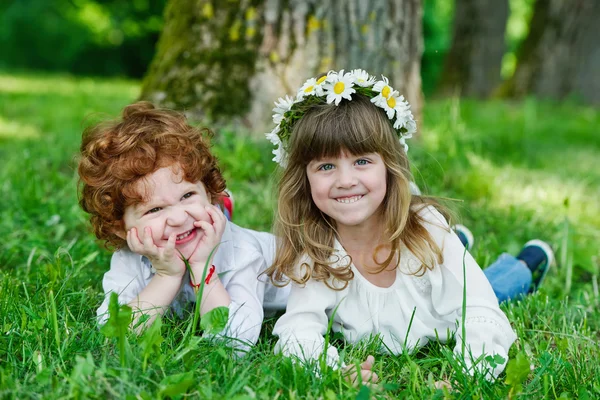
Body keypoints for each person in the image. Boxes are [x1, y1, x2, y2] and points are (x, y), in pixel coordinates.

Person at [263, 69, 553, 384]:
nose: (345, 181)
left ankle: (526, 264)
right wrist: (334, 372)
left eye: (362, 161)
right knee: (466, 275)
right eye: (326, 166)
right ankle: (462, 245)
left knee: (496, 289)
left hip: (437, 311)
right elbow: (297, 331)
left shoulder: (426, 229)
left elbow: (480, 311)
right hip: (423, 278)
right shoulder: (317, 250)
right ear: (304, 179)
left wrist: (464, 378)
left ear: (390, 166)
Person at [77, 101, 287, 351]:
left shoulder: (242, 252)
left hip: (325, 276)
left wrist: (201, 266)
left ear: (210, 192)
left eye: (187, 195)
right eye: (154, 209)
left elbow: (235, 343)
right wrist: (167, 276)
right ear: (121, 228)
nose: (178, 218)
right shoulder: (131, 258)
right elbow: (113, 333)